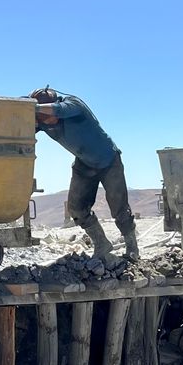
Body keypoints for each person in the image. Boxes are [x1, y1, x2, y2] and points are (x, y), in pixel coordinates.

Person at [30, 87, 139, 261]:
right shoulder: (43, 120)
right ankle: (101, 243)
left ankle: (132, 248)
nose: (48, 122)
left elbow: (60, 110)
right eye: (43, 120)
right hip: (84, 163)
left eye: (48, 116)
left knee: (119, 208)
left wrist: (33, 108)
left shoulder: (74, 105)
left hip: (108, 159)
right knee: (76, 208)